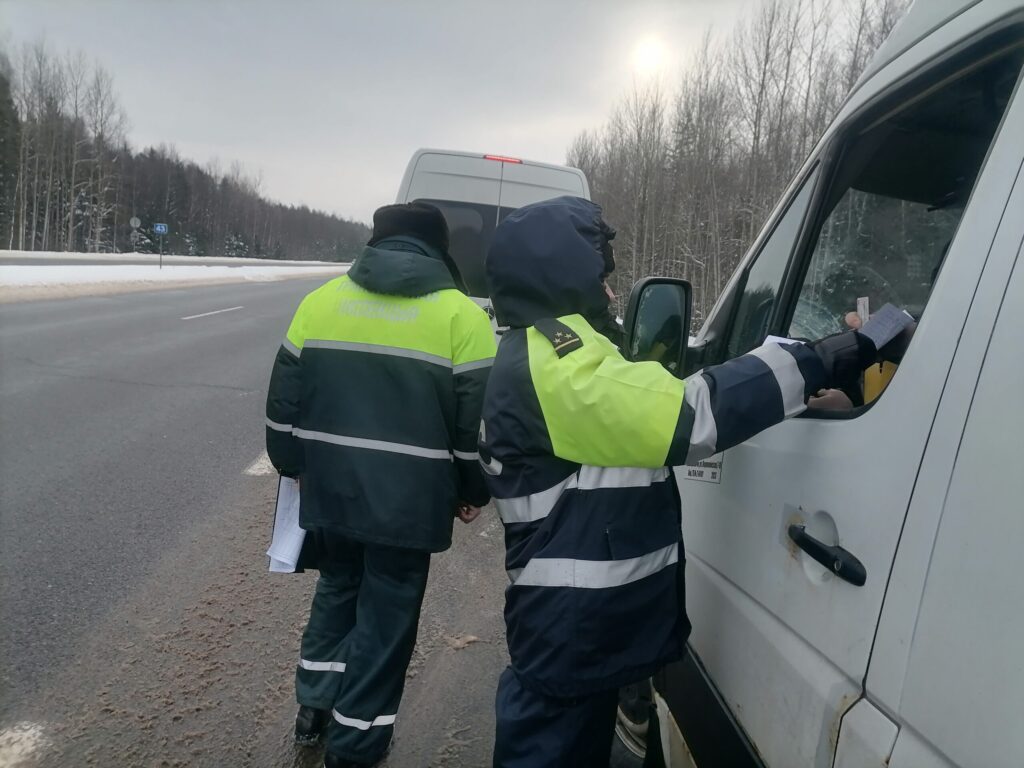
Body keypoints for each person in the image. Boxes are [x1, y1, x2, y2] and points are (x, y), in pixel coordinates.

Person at [479, 196, 881, 767]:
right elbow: (687, 417)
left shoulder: (545, 356)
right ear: (561, 277)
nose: (612, 293)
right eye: (600, 278)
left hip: (569, 625)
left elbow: (638, 401)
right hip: (570, 631)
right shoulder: (554, 364)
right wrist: (815, 359)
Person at [264, 202, 496, 768]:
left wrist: (292, 463)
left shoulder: (319, 303)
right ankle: (357, 743)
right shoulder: (463, 318)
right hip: (410, 504)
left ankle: (313, 709)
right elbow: (475, 430)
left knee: (338, 589)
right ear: (440, 250)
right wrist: (472, 490)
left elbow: (281, 407)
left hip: (332, 492)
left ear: (376, 241)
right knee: (387, 620)